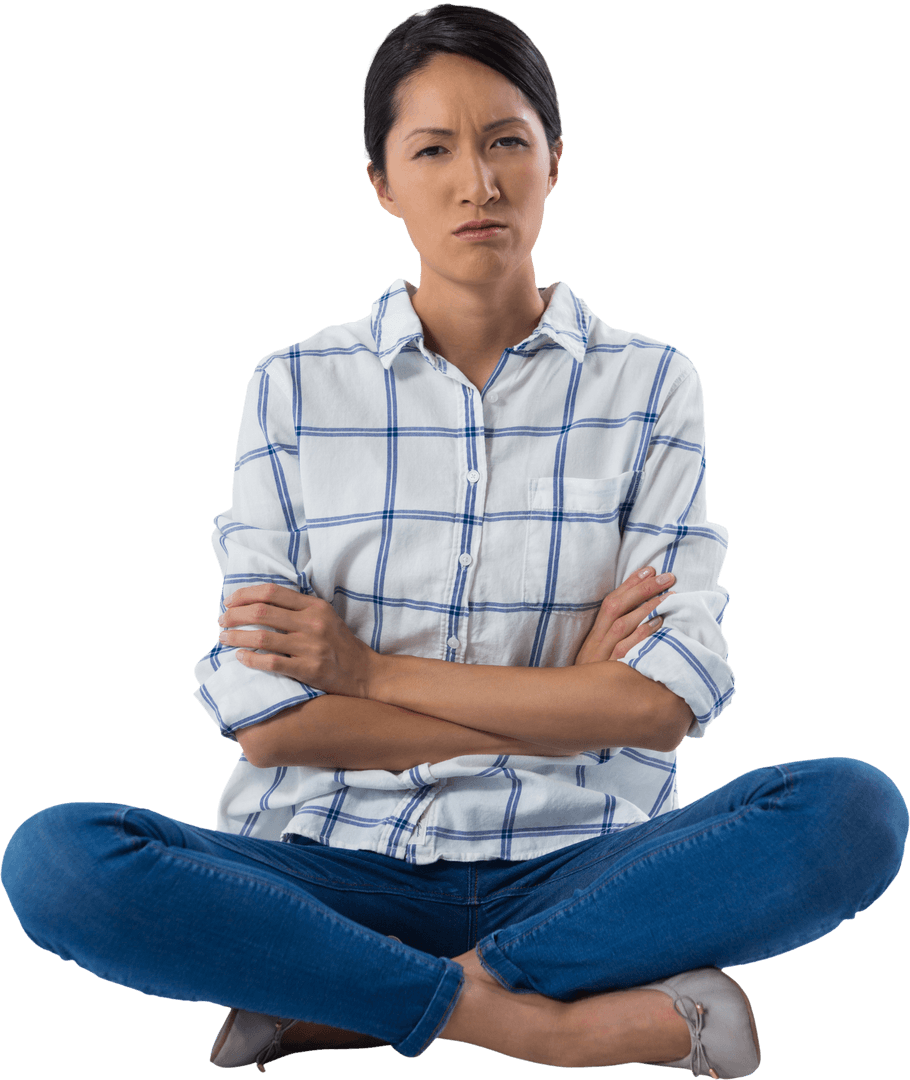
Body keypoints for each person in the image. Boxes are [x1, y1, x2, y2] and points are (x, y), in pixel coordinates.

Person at [2, 5, 907, 1077]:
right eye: (432, 148)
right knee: (61, 860)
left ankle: (339, 993)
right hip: (331, 865)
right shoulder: (293, 388)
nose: (476, 181)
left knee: (850, 813)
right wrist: (565, 695)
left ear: (554, 160)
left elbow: (658, 708)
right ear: (382, 182)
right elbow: (273, 731)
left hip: (583, 864)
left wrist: (366, 672)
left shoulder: (650, 384)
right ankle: (539, 1020)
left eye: (506, 141)